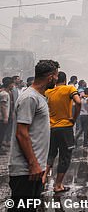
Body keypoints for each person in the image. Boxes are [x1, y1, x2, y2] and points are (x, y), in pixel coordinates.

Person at [9, 60, 59, 206]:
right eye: (56, 76)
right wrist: (33, 164)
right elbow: (21, 133)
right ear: (50, 77)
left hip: (35, 168)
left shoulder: (39, 97)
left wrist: (41, 166)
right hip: (25, 170)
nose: (57, 79)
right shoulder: (30, 97)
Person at [45, 71, 81, 193]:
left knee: (51, 154)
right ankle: (58, 185)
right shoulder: (69, 89)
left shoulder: (48, 92)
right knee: (65, 156)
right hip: (65, 127)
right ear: (65, 80)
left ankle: (43, 178)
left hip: (51, 128)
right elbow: (78, 102)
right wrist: (74, 118)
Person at [0, 77, 13, 154]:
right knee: (1, 133)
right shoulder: (4, 94)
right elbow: (3, 106)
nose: (13, 85)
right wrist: (5, 117)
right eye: (12, 84)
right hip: (2, 117)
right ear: (9, 85)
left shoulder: (6, 93)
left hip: (4, 117)